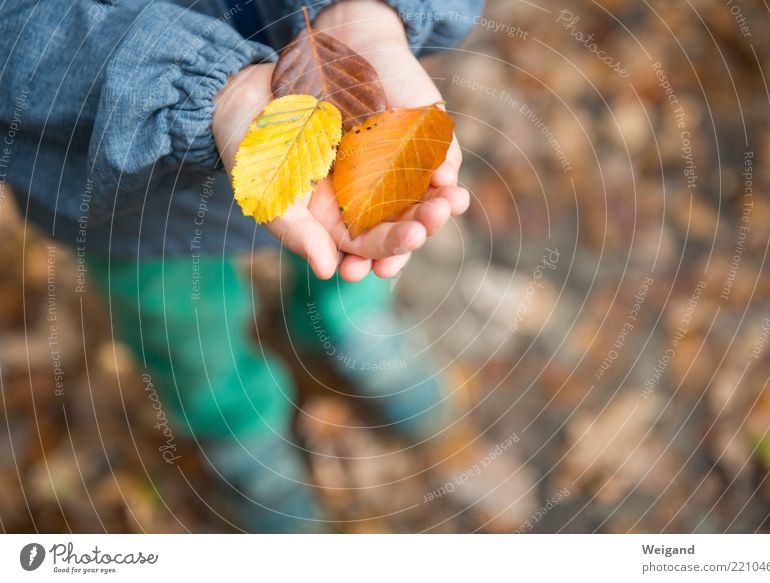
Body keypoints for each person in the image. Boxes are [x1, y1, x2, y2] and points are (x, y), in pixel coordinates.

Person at [1, 0, 532, 532]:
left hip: (298, 71)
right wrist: (207, 86)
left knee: (354, 243)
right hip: (120, 175)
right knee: (181, 327)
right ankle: (234, 426)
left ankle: (345, 326)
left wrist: (365, 13)